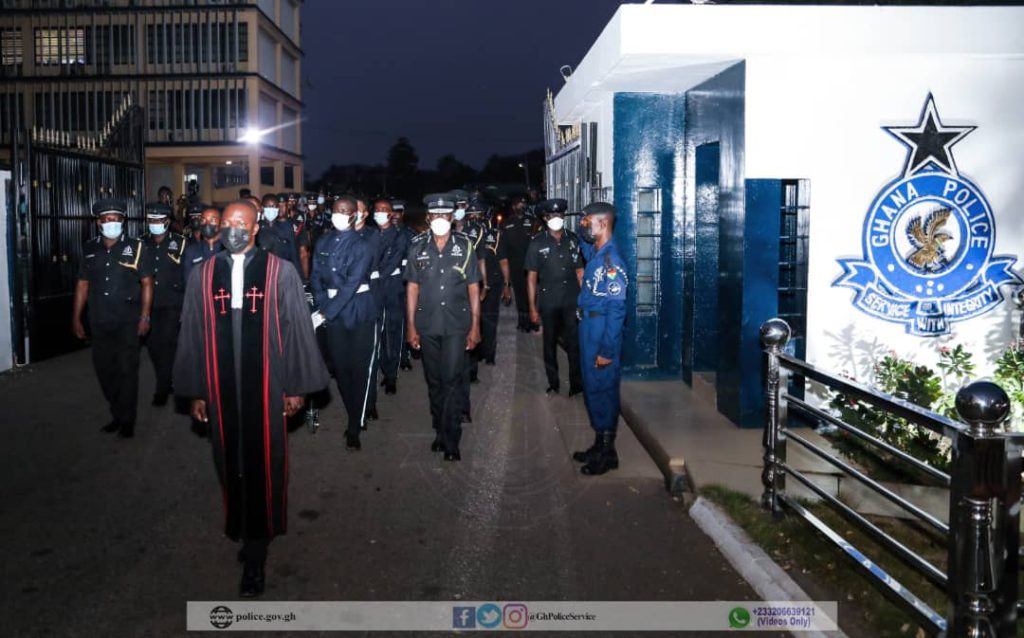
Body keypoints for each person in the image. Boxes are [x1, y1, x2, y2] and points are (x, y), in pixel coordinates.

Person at [173, 200, 329, 597]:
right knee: (228, 459)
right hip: (220, 386)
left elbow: (296, 330)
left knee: (262, 462)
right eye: (226, 223)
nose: (232, 229)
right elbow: (191, 332)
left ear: (256, 227)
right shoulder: (204, 274)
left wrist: (294, 386)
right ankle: (241, 526)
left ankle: (256, 550)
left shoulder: (281, 271)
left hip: (266, 384)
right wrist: (195, 391)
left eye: (240, 223)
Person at [404, 194, 481, 461]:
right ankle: (439, 429)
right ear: (428, 218)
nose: (439, 220)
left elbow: (473, 287)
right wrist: (411, 326)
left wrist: (475, 326)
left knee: (450, 381)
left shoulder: (465, 246)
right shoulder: (416, 247)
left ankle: (451, 438)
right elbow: (412, 288)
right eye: (434, 216)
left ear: (452, 217)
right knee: (434, 382)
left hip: (457, 325)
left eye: (444, 215)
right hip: (427, 324)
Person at [72, 198, 154, 438]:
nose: (112, 223)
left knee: (127, 370)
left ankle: (127, 420)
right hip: (99, 319)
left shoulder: (137, 247)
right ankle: (117, 412)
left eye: (116, 219)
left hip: (128, 320)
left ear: (123, 221)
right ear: (98, 223)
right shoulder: (89, 249)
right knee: (105, 371)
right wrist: (76, 318)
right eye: (107, 219)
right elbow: (82, 284)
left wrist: (145, 316)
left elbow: (147, 283)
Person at [310, 196, 378, 450]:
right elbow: (315, 276)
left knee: (358, 370)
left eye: (346, 211)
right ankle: (355, 411)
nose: (340, 215)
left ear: (354, 216)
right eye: (336, 210)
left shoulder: (363, 245)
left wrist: (327, 313)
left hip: (358, 312)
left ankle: (354, 426)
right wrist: (321, 304)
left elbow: (352, 285)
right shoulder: (323, 241)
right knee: (340, 368)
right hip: (333, 312)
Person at [573, 202, 628, 476]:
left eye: (588, 221)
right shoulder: (597, 253)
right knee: (593, 388)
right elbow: (584, 250)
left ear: (603, 223)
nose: (584, 225)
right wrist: (581, 230)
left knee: (603, 390)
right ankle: (599, 443)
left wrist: (607, 348)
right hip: (589, 326)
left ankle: (608, 454)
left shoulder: (611, 262)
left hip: (602, 328)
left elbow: (617, 310)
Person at [525, 198, 583, 396]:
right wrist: (532, 308)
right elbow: (531, 278)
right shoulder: (537, 243)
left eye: (559, 215)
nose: (556, 218)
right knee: (549, 344)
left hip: (571, 299)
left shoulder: (573, 239)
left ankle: (577, 384)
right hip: (549, 301)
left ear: (563, 216)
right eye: (552, 215)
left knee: (574, 343)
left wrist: (584, 300)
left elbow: (580, 272)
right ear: (545, 218)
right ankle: (554, 383)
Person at [141, 202, 188, 406]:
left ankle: (161, 388)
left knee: (167, 344)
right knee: (153, 346)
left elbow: (187, 275)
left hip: (172, 302)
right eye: (151, 220)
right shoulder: (140, 243)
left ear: (167, 222)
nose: (155, 224)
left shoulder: (181, 243)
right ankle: (167, 377)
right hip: (149, 303)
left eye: (159, 220)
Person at [373, 198, 411, 395]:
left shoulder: (399, 236)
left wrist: (372, 275)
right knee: (377, 333)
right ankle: (382, 368)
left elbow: (392, 263)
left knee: (393, 332)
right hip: (373, 291)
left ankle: (391, 376)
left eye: (384, 210)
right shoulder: (370, 235)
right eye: (377, 209)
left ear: (391, 213)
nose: (380, 212)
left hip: (392, 289)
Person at [499, 193, 536, 332]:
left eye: (524, 203)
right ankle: (523, 322)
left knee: (531, 293)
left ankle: (532, 320)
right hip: (514, 264)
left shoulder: (532, 222)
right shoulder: (506, 224)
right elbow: (503, 248)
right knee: (520, 295)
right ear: (514, 206)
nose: (522, 206)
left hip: (531, 264)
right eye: (519, 204)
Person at [475, 202, 503, 366]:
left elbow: (503, 259)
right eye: (473, 214)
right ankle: (479, 351)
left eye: (480, 214)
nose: (477, 217)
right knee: (476, 319)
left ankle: (490, 353)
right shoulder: (467, 233)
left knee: (490, 319)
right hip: (474, 282)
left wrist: (506, 283)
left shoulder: (496, 234)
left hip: (493, 281)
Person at [391, 199, 415, 371]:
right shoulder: (382, 233)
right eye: (392, 212)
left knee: (407, 320)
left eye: (397, 212)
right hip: (390, 285)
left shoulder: (410, 234)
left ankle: (404, 355)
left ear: (403, 213)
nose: (394, 216)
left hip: (407, 284)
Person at [257, 193, 304, 278]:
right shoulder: (257, 228)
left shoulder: (286, 227)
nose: (271, 209)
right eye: (268, 206)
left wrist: (300, 278)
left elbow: (294, 255)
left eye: (274, 206)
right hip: (262, 275)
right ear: (262, 208)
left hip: (282, 274)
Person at [182, 205, 223, 283]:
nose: (207, 224)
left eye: (212, 220)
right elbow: (188, 283)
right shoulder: (191, 251)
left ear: (221, 223)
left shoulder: (228, 249)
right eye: (203, 220)